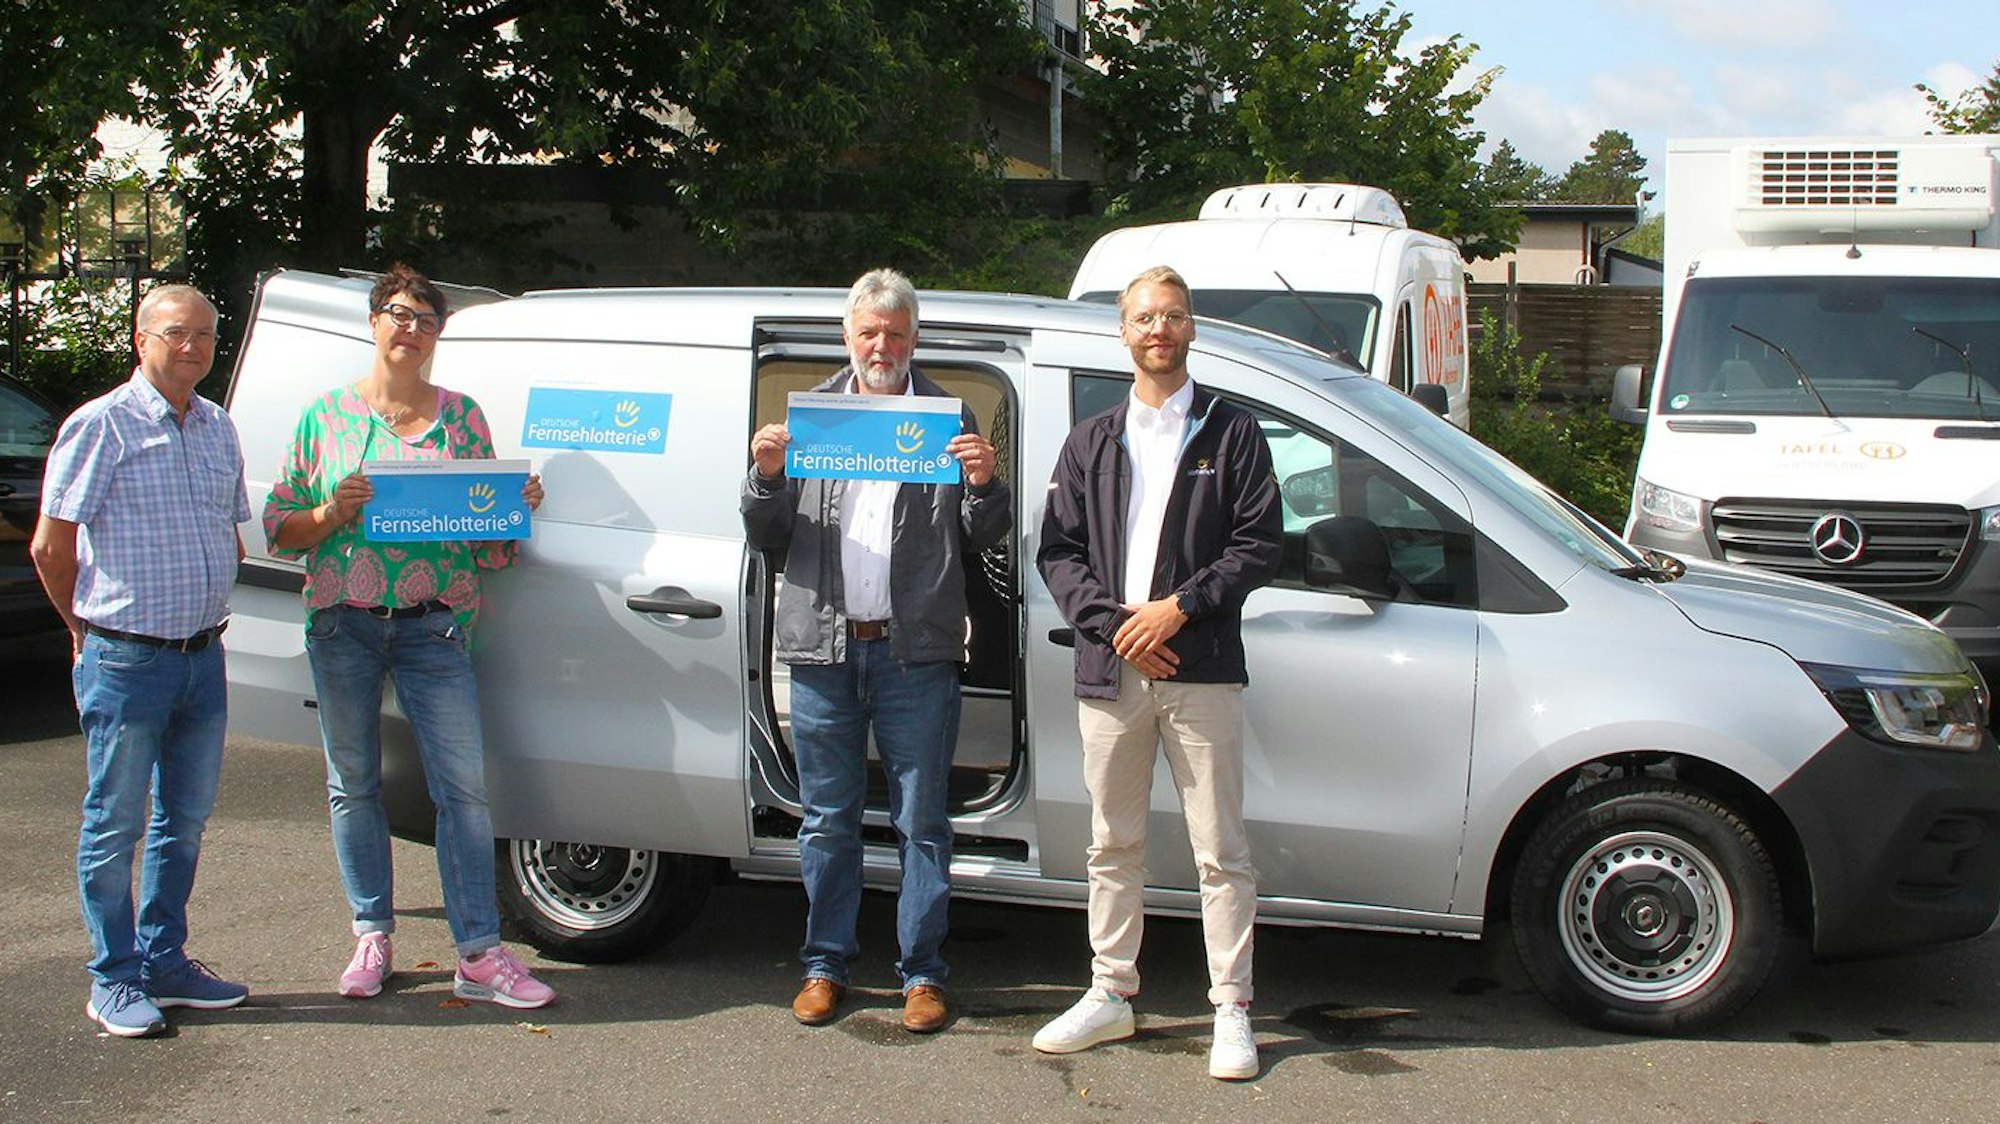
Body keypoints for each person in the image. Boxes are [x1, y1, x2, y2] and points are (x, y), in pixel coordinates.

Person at [262, 264, 555, 1009]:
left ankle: (480, 954)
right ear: (373, 321)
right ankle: (372, 935)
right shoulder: (322, 417)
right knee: (352, 785)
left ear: (438, 335)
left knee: (462, 790)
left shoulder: (463, 417)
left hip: (433, 628)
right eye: (399, 314)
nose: (411, 329)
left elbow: (488, 544)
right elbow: (279, 530)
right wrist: (331, 513)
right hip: (343, 627)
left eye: (425, 319)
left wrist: (515, 507)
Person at [741, 268, 1011, 1033]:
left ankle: (922, 975)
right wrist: (764, 478)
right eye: (869, 333)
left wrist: (986, 486)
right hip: (825, 653)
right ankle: (824, 964)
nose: (881, 346)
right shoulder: (812, 423)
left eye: (895, 334)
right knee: (827, 819)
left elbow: (980, 539)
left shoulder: (944, 421)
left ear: (914, 339)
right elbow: (766, 535)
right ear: (848, 339)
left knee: (923, 821)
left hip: (914, 656)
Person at [1033, 265, 1283, 1080]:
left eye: (1172, 316)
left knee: (1221, 850)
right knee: (1113, 843)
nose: (1159, 330)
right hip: (1113, 671)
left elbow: (1258, 544)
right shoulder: (1091, 439)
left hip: (1202, 664)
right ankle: (1110, 995)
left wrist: (1176, 608)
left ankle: (1232, 1010)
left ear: (1191, 328)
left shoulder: (1230, 432)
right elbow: (1058, 554)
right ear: (1123, 331)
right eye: (1144, 317)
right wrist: (1119, 628)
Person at [32, 283, 253, 1037]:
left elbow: (231, 534)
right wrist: (81, 631)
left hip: (201, 658)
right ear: (141, 338)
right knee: (115, 823)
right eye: (174, 333)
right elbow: (49, 546)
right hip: (127, 659)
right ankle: (113, 977)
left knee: (182, 823)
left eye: (203, 335)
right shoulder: (101, 425)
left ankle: (165, 961)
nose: (190, 346)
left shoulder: (220, 427)